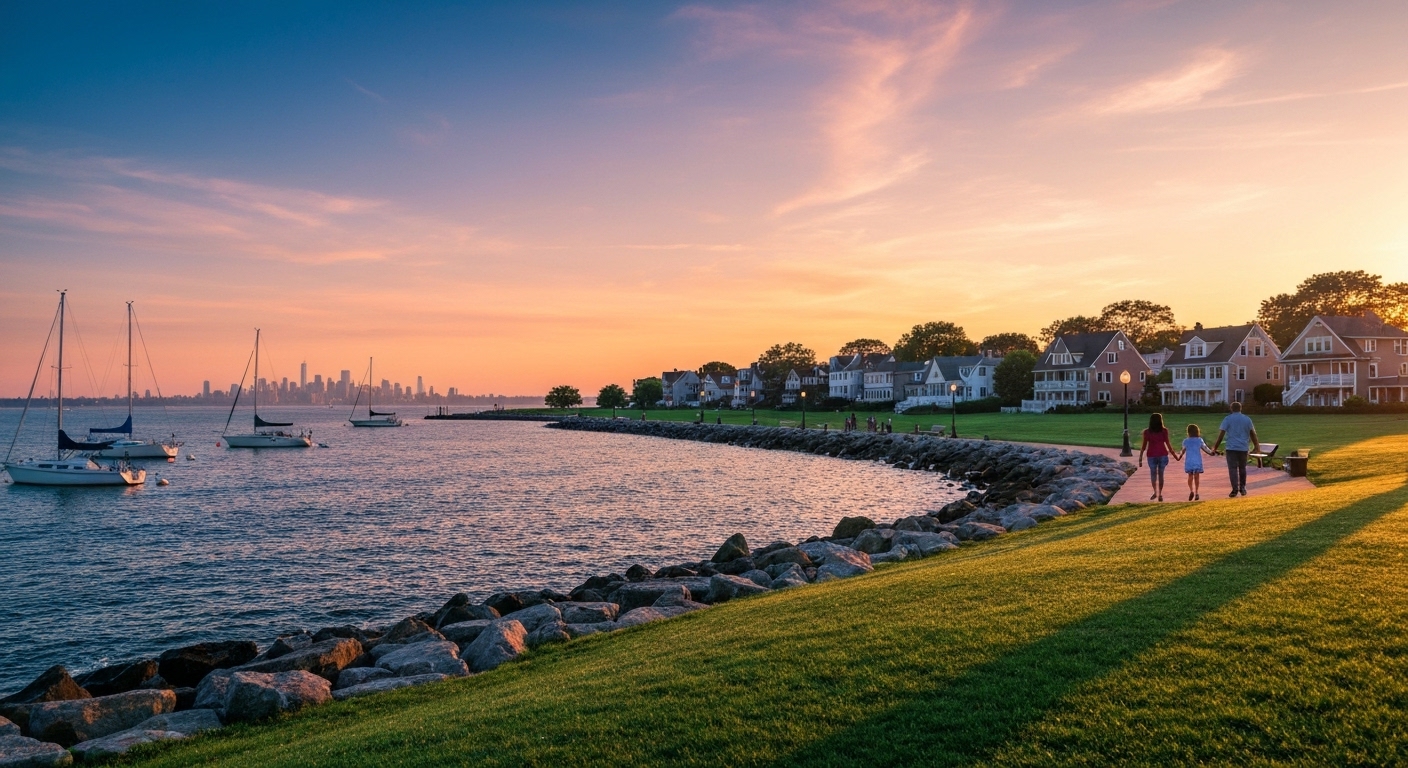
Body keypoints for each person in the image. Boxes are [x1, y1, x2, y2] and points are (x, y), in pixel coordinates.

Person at [1212, 401, 1259, 497]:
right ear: (1241, 408)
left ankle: (1234, 489)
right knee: (1242, 468)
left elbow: (1221, 435)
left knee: (1232, 468)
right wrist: (1256, 446)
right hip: (1243, 447)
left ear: (1231, 408)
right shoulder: (1247, 419)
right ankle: (1242, 488)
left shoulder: (1228, 419)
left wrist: (1215, 447)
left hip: (1231, 447)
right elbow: (1252, 434)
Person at [1137, 413, 1176, 502]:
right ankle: (1160, 494)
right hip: (1163, 454)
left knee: (1153, 474)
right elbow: (1168, 443)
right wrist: (1174, 455)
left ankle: (1155, 492)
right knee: (1161, 474)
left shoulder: (1147, 432)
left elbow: (1144, 446)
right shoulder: (1164, 431)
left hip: (1151, 455)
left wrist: (1140, 458)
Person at [1179, 424, 1216, 500]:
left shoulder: (1186, 441)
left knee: (1190, 476)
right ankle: (1196, 492)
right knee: (1196, 476)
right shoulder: (1199, 440)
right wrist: (1211, 452)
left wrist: (1179, 457)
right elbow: (1205, 448)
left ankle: (1191, 490)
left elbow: (1183, 450)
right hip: (1197, 460)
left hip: (1189, 460)